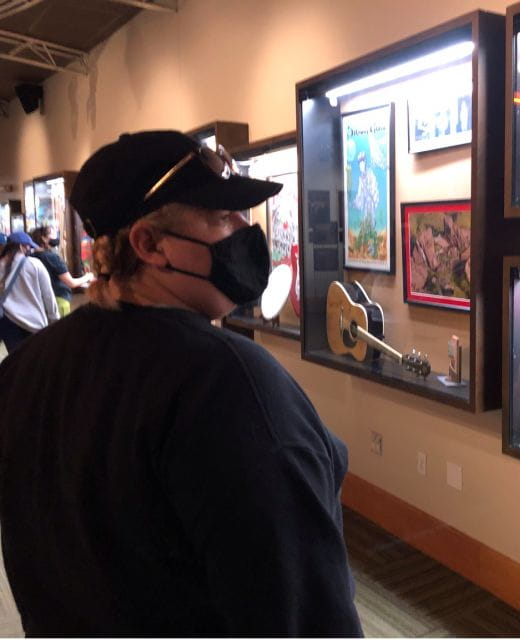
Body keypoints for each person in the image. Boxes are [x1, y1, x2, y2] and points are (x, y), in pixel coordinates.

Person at [0, 130, 363, 636]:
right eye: (219, 217)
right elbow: (302, 617)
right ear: (148, 245)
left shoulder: (26, 367)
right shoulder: (228, 386)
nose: (244, 230)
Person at [0, 230, 59, 352]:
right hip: (35, 323)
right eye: (28, 247)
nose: (30, 250)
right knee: (36, 359)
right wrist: (54, 320)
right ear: (22, 247)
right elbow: (48, 296)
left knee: (16, 359)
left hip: (8, 324)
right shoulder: (36, 265)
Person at [29, 225, 95, 316]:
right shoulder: (52, 257)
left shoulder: (31, 257)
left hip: (40, 300)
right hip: (58, 299)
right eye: (52, 234)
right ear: (43, 238)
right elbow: (71, 283)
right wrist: (88, 277)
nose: (55, 237)